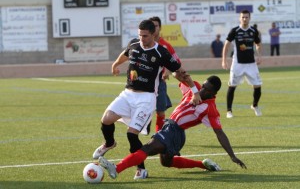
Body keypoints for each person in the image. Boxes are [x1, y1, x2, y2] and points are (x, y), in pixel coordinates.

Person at [92, 19, 201, 180]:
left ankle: (141, 169)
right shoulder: (134, 44)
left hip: (146, 98)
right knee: (106, 120)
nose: (142, 39)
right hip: (127, 93)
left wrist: (194, 91)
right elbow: (126, 53)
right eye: (140, 35)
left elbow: (180, 72)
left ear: (153, 34)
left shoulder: (161, 53)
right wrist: (115, 64)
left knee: (132, 135)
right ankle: (109, 143)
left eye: (145, 36)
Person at [98, 74, 247, 180]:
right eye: (204, 86)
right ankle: (204, 164)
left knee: (148, 148)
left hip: (175, 132)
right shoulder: (194, 88)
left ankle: (116, 169)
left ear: (214, 93)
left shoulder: (211, 109)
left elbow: (219, 133)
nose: (202, 90)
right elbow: (180, 75)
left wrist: (232, 155)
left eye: (207, 90)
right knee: (166, 163)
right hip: (169, 128)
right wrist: (169, 71)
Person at [222, 9, 263, 118]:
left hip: (251, 63)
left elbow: (258, 44)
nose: (244, 19)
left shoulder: (253, 31)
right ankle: (229, 111)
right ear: (240, 18)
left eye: (246, 17)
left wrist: (259, 55)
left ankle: (255, 105)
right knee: (232, 86)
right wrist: (224, 60)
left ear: (249, 18)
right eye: (243, 17)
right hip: (237, 64)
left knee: (258, 86)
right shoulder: (234, 31)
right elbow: (226, 45)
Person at [148, 16, 181, 133]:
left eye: (156, 26)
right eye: (151, 26)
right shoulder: (143, 44)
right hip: (144, 83)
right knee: (142, 111)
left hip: (160, 83)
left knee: (160, 112)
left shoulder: (166, 46)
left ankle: (159, 137)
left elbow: (177, 63)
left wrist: (167, 70)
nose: (153, 28)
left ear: (160, 28)